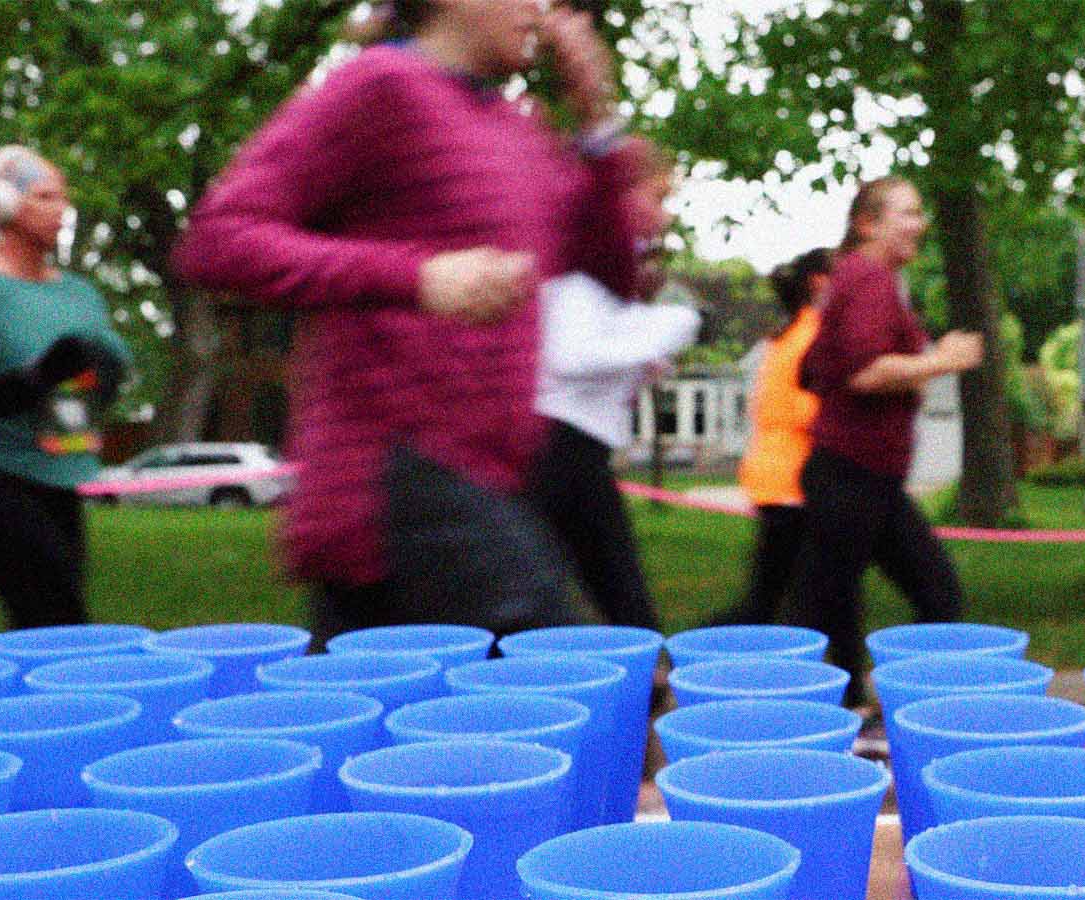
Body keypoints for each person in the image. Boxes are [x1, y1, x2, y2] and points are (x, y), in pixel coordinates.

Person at [171, 0, 646, 647]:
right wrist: (418, 277)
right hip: (393, 474)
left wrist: (597, 123)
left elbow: (611, 272)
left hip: (489, 480)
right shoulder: (379, 86)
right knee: (589, 682)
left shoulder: (518, 127)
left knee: (384, 717)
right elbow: (220, 240)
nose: (542, 10)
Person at [794, 177, 985, 706]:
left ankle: (862, 711)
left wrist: (917, 362)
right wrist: (942, 360)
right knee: (925, 595)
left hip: (858, 474)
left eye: (920, 213)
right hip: (852, 474)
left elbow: (813, 369)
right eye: (908, 213)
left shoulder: (855, 280)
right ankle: (908, 714)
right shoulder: (868, 277)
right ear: (868, 224)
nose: (919, 224)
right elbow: (864, 372)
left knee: (831, 607)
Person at [0, 147, 132, 631]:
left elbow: (102, 383)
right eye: (45, 196)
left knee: (49, 618)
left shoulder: (79, 293)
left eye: (63, 197)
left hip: (60, 470)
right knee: (56, 615)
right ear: (3, 205)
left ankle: (31, 702)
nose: (61, 208)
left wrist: (104, 369)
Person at [527, 144, 701, 632]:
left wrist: (637, 360)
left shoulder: (605, 264)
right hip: (558, 448)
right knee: (602, 594)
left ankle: (642, 680)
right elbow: (573, 355)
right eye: (659, 198)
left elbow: (584, 344)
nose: (666, 218)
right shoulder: (584, 258)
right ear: (621, 196)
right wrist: (672, 324)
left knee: (578, 592)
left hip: (573, 448)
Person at [705, 247, 833, 628]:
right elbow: (801, 409)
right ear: (820, 283)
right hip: (792, 480)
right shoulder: (813, 335)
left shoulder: (789, 333)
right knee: (773, 601)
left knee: (788, 595)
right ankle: (697, 650)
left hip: (777, 475)